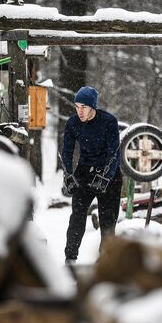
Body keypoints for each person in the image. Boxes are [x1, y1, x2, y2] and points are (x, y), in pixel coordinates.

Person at [61, 86, 123, 264]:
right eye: (77, 106)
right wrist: (68, 175)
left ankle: (105, 262)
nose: (80, 111)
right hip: (85, 173)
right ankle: (70, 258)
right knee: (77, 216)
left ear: (93, 107)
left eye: (84, 107)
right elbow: (67, 151)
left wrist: (106, 177)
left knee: (107, 221)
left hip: (109, 176)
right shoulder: (73, 123)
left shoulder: (109, 121)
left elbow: (114, 153)